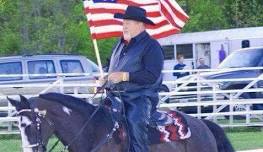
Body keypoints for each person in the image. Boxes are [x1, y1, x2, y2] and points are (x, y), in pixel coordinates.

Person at [104, 6, 164, 152]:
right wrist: (104, 77)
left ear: (140, 24)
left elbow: (151, 75)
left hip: (139, 97)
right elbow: (110, 67)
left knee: (135, 122)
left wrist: (125, 76)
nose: (124, 25)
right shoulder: (119, 45)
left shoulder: (152, 46)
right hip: (114, 97)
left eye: (128, 22)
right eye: (123, 22)